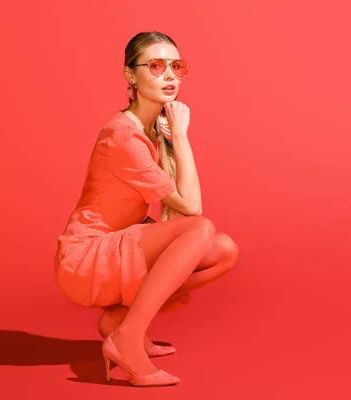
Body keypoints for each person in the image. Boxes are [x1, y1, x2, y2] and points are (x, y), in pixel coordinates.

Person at [53, 31, 239, 387]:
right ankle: (127, 339)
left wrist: (172, 136)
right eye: (156, 66)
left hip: (118, 247)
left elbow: (185, 206)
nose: (170, 75)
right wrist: (182, 136)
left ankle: (120, 320)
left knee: (224, 250)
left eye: (177, 66)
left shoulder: (152, 129)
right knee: (199, 229)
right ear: (130, 75)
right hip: (85, 257)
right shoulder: (123, 136)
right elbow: (192, 207)